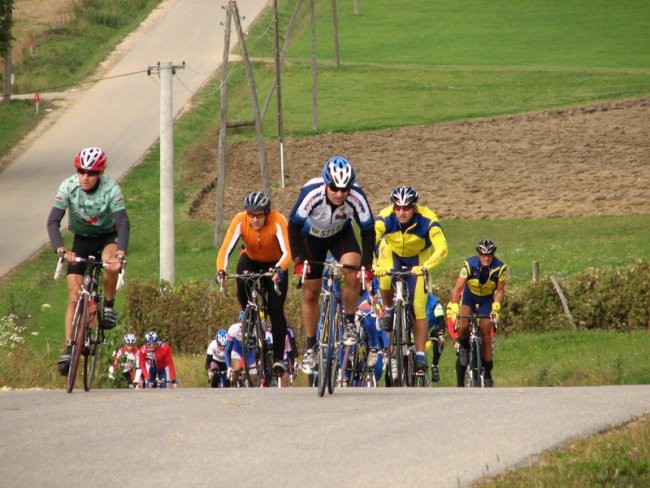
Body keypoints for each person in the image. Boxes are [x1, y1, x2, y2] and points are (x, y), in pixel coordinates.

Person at [288, 156, 375, 375]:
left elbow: (367, 230)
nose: (339, 194)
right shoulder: (311, 194)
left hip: (340, 234)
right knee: (311, 293)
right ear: (326, 183)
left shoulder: (356, 196)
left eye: (344, 189)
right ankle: (311, 347)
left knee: (353, 269)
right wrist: (298, 260)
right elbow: (293, 226)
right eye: (335, 188)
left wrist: (367, 265)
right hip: (310, 238)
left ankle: (348, 321)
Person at [46, 147, 130, 376]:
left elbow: (123, 223)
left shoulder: (111, 189)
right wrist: (61, 249)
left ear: (100, 173)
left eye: (91, 173)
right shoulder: (68, 186)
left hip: (106, 237)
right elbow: (53, 221)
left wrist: (120, 253)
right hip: (81, 239)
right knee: (74, 295)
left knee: (109, 262)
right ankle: (69, 346)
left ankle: (109, 306)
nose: (85, 176)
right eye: (81, 171)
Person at [215, 191, 292, 377]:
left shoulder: (278, 220)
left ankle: (278, 360)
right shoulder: (240, 220)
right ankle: (249, 315)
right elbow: (226, 248)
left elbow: (288, 251)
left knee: (275, 309)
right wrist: (221, 271)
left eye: (259, 215)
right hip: (250, 259)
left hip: (275, 264)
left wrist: (280, 269)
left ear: (267, 213)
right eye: (251, 215)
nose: (255, 220)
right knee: (241, 279)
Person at [373, 186, 448, 373]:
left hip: (419, 257)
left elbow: (442, 249)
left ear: (414, 207)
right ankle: (390, 310)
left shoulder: (428, 219)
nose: (401, 212)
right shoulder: (385, 216)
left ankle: (420, 355)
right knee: (383, 277)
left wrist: (425, 267)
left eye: (406, 208)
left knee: (418, 307)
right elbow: (370, 240)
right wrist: (373, 265)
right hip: (392, 253)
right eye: (397, 207)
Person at [447, 240, 507, 387]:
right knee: (463, 323)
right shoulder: (469, 265)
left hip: (486, 299)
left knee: (486, 330)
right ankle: (464, 347)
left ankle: (487, 372)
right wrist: (455, 309)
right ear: (478, 255)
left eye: (489, 255)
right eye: (483, 255)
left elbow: (500, 291)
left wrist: (496, 307)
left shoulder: (499, 268)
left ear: (493, 255)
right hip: (469, 296)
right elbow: (456, 289)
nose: (486, 258)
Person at [224, 312, 259, 386]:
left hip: (249, 352)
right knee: (236, 369)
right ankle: (234, 386)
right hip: (237, 350)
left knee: (254, 380)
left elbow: (259, 347)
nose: (243, 326)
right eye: (241, 323)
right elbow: (227, 349)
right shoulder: (233, 329)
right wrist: (229, 366)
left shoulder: (255, 329)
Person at [425, 292, 446, 382]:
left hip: (429, 329)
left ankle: (435, 365)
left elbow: (440, 319)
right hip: (412, 330)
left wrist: (440, 333)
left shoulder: (434, 302)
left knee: (439, 335)